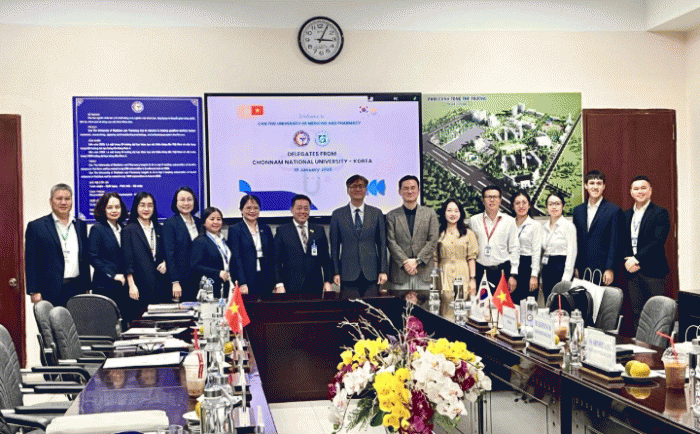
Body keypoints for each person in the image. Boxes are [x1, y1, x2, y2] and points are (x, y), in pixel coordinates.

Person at [25, 184, 90, 307]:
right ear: (51, 201)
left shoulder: (80, 225)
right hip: (49, 290)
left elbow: (84, 259)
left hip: (77, 288)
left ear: (71, 201)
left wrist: (87, 286)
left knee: (77, 320)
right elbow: (31, 261)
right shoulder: (37, 226)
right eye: (59, 199)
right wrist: (34, 291)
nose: (63, 202)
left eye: (67, 199)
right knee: (51, 320)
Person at [623, 175, 670, 331]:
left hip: (653, 271)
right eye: (636, 189)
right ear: (631, 192)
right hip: (632, 272)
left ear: (650, 190)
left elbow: (657, 241)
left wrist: (636, 259)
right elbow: (622, 241)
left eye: (643, 188)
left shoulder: (660, 213)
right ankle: (640, 344)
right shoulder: (626, 215)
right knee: (636, 313)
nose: (640, 191)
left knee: (656, 314)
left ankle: (657, 345)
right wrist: (628, 260)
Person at [330, 175, 388, 299]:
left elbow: (382, 245)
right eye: (354, 186)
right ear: (348, 190)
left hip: (372, 272)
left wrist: (383, 270)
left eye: (361, 186)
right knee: (350, 309)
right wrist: (335, 272)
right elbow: (334, 247)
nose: (357, 189)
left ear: (366, 190)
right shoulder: (337, 214)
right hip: (347, 272)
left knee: (372, 308)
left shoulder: (376, 213)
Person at [386, 175, 439, 304]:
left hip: (424, 273)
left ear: (418, 190)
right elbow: (391, 242)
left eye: (413, 188)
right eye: (406, 188)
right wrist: (405, 262)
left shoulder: (430, 213)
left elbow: (433, 240)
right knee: (399, 311)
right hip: (400, 274)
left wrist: (417, 261)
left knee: (424, 312)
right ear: (399, 191)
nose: (409, 191)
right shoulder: (392, 215)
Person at [122, 191, 168, 323]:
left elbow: (166, 253)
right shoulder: (129, 230)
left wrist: (165, 263)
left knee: (160, 324)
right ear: (136, 207)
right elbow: (127, 260)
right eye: (142, 205)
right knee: (141, 324)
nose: (146, 209)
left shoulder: (159, 229)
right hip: (139, 286)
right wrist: (131, 285)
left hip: (159, 286)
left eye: (150, 205)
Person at [274, 194, 332, 295]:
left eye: (306, 208)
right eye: (299, 208)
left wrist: (327, 281)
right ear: (291, 210)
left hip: (315, 285)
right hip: (291, 285)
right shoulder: (282, 231)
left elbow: (326, 258)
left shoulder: (319, 230)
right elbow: (276, 260)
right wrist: (279, 283)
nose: (302, 211)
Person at [572, 170, 623, 285]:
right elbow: (576, 241)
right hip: (583, 267)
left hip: (603, 269)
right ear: (585, 185)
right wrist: (576, 266)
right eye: (591, 183)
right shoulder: (578, 211)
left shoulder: (614, 210)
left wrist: (610, 268)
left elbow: (615, 242)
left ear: (604, 186)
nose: (595, 187)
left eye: (599, 183)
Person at [468, 186, 519, 292]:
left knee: (501, 302)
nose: (492, 200)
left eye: (495, 197)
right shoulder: (473, 221)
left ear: (500, 200)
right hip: (480, 271)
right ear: (483, 200)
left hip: (502, 271)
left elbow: (514, 248)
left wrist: (513, 274)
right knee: (481, 302)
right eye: (488, 197)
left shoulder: (509, 221)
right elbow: (470, 249)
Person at [435, 199, 478, 319]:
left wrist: (472, 279)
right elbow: (435, 259)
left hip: (463, 272)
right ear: (444, 213)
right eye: (449, 210)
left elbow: (471, 258)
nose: (453, 214)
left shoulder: (468, 233)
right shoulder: (438, 233)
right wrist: (435, 280)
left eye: (456, 211)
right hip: (444, 273)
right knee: (446, 307)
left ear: (461, 213)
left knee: (462, 308)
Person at [227, 195, 275, 298]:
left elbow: (272, 256)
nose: (252, 211)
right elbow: (236, 258)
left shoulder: (266, 228)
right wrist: (242, 282)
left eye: (256, 208)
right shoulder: (235, 230)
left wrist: (276, 281)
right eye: (248, 208)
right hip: (247, 279)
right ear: (241, 210)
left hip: (266, 278)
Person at [88, 192, 128, 311]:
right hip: (105, 286)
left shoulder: (125, 229)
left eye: (117, 207)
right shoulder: (97, 229)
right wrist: (113, 275)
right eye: (110, 207)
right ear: (103, 209)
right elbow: (93, 257)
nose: (114, 210)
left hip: (124, 286)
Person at [163, 186, 201, 301]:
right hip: (182, 280)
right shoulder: (170, 223)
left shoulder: (199, 222)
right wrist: (175, 282)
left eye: (189, 199)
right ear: (176, 203)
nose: (186, 203)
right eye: (182, 200)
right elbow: (169, 254)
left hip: (200, 278)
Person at [541, 193, 577, 302]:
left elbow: (572, 253)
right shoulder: (544, 227)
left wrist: (566, 278)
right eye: (551, 204)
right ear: (546, 207)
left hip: (561, 266)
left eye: (557, 204)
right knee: (549, 301)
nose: (554, 207)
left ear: (563, 206)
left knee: (561, 302)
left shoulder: (568, 226)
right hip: (547, 267)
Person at [191, 207, 231, 299]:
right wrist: (218, 273)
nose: (216, 222)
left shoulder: (223, 240)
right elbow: (195, 266)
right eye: (212, 219)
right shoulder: (200, 241)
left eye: (219, 219)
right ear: (204, 222)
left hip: (226, 285)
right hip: (209, 288)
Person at [511, 191, 542, 305]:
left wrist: (534, 275)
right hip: (511, 265)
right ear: (513, 206)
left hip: (527, 266)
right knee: (512, 304)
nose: (521, 206)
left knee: (527, 304)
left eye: (524, 203)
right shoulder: (509, 224)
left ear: (529, 205)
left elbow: (536, 252)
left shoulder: (535, 226)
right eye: (517, 203)